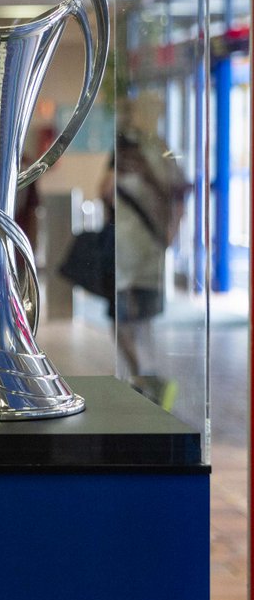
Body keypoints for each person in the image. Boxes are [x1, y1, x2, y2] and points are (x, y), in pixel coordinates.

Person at [99, 104, 187, 403]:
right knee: (142, 319)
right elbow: (178, 196)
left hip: (129, 250)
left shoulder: (126, 152)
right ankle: (145, 378)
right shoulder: (164, 152)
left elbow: (104, 190)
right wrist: (170, 233)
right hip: (148, 250)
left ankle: (143, 378)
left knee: (124, 318)